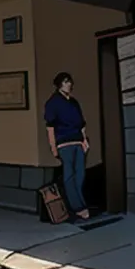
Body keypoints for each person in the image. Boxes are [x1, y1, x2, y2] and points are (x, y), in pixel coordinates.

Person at [44, 72, 90, 220]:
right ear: (59, 85)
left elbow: (82, 124)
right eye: (65, 82)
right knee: (69, 175)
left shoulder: (74, 102)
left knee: (80, 175)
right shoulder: (53, 103)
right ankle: (79, 207)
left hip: (77, 141)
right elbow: (50, 127)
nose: (69, 84)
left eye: (69, 82)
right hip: (64, 143)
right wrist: (53, 147)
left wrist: (84, 141)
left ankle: (78, 204)